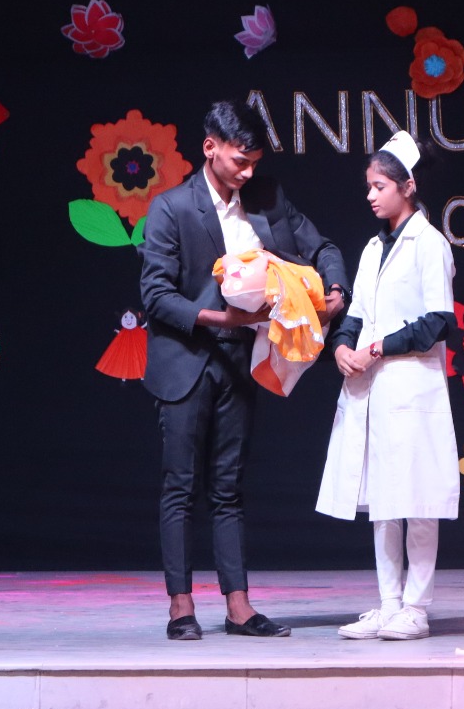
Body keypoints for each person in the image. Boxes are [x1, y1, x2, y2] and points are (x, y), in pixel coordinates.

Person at [139, 99, 349, 641]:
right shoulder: (171, 208)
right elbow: (156, 296)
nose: (248, 172)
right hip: (186, 361)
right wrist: (222, 318)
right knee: (180, 487)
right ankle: (180, 607)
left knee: (229, 488)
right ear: (210, 148)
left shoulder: (266, 199)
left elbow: (322, 246)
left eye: (255, 162)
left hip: (240, 362)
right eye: (240, 161)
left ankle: (239, 606)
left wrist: (335, 290)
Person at [316, 131, 459, 641]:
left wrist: (376, 349)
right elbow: (355, 314)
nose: (371, 195)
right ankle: (388, 603)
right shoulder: (373, 249)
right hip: (373, 391)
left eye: (379, 186)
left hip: (412, 386)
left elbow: (437, 322)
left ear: (407, 187)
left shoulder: (430, 244)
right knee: (383, 503)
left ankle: (415, 608)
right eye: (369, 186)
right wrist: (341, 347)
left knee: (416, 503)